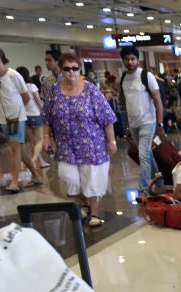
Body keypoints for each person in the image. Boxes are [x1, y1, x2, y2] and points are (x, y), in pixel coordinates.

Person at [41, 52, 117, 227]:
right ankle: (85, 204)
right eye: (67, 69)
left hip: (92, 144)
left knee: (91, 180)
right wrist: (45, 137)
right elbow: (46, 118)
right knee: (68, 178)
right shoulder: (54, 91)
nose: (71, 72)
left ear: (79, 69)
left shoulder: (91, 90)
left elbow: (107, 118)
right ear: (61, 70)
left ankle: (94, 212)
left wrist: (111, 141)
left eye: (75, 68)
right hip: (66, 145)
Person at [0, 46, 43, 194]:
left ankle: (14, 181)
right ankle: (36, 175)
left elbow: (26, 96)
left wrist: (18, 110)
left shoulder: (14, 75)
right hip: (4, 119)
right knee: (20, 150)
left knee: (14, 149)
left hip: (17, 117)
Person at [119, 46, 164, 196]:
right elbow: (127, 104)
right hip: (134, 124)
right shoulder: (124, 78)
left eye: (133, 59)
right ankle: (158, 180)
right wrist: (127, 126)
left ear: (137, 59)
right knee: (147, 153)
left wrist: (160, 123)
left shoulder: (146, 75)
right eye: (127, 59)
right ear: (123, 60)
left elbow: (158, 101)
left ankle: (144, 188)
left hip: (148, 120)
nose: (130, 62)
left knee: (143, 154)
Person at [13, 67, 44, 174]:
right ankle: (34, 159)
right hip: (35, 114)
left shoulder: (17, 88)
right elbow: (38, 100)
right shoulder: (31, 86)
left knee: (32, 141)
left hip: (25, 116)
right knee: (40, 140)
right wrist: (43, 111)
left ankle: (40, 161)